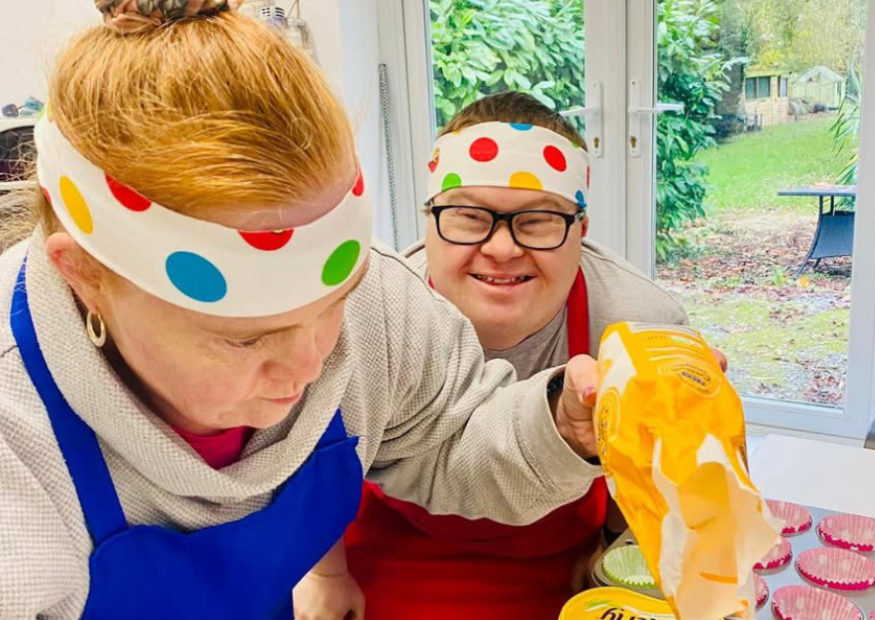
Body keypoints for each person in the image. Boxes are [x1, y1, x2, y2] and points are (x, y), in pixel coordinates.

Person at [0, 7, 605, 620]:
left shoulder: (381, 308)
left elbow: (450, 438)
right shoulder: (15, 434)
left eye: (333, 306)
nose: (309, 366)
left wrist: (560, 426)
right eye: (245, 339)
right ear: (84, 276)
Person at [346, 92, 725, 619]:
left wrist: (613, 548)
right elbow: (310, 447)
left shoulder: (637, 319)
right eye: (468, 215)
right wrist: (324, 573)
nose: (502, 248)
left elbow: (644, 469)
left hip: (563, 550)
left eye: (539, 220)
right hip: (390, 544)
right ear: (429, 221)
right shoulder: (376, 310)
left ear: (581, 230)